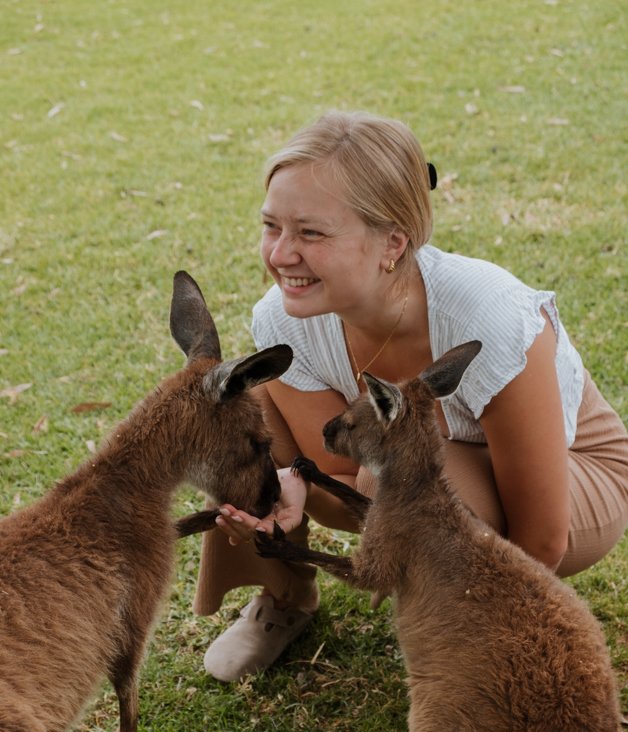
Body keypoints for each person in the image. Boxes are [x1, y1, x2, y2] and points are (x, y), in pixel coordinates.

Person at [195, 110, 628, 682]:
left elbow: (543, 535)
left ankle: (473, 632)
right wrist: (288, 487)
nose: (279, 254)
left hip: (575, 479)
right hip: (402, 472)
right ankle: (285, 594)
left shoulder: (488, 317)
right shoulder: (283, 319)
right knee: (233, 410)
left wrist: (497, 643)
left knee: (395, 476)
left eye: (311, 233)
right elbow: (338, 476)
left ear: (392, 243)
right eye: (271, 226)